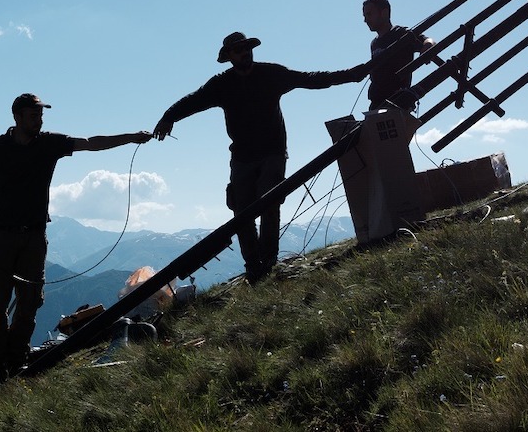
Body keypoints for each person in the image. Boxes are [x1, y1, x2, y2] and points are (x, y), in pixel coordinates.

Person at [153, 32, 372, 284]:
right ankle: (253, 267)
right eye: (238, 50)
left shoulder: (271, 74)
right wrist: (168, 116)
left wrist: (351, 75)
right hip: (242, 157)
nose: (244, 53)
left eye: (246, 48)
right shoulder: (221, 85)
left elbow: (310, 79)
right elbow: (192, 101)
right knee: (241, 213)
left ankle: (267, 263)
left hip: (272, 152)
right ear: (229, 57)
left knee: (270, 204)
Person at [0, 93, 151, 388]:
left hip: (35, 235)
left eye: (41, 116)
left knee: (30, 302)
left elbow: (91, 143)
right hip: (3, 235)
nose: (39, 120)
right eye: (33, 116)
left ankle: (16, 359)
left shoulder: (49, 143)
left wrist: (130, 138)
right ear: (17, 117)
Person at [362, 0, 435, 110]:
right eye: (365, 16)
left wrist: (428, 46)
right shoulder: (374, 43)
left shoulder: (400, 33)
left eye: (369, 14)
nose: (365, 20)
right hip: (376, 101)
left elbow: (427, 40)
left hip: (397, 100)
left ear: (384, 13)